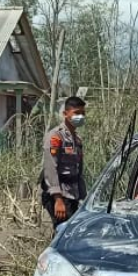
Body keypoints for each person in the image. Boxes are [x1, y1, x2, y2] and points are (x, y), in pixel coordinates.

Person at [41, 96, 87, 229]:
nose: (80, 116)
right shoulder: (56, 136)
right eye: (76, 113)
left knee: (71, 231)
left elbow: (78, 171)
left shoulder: (77, 139)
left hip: (73, 194)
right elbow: (50, 168)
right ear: (65, 114)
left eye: (83, 113)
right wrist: (58, 199)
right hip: (59, 195)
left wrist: (83, 197)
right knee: (63, 231)